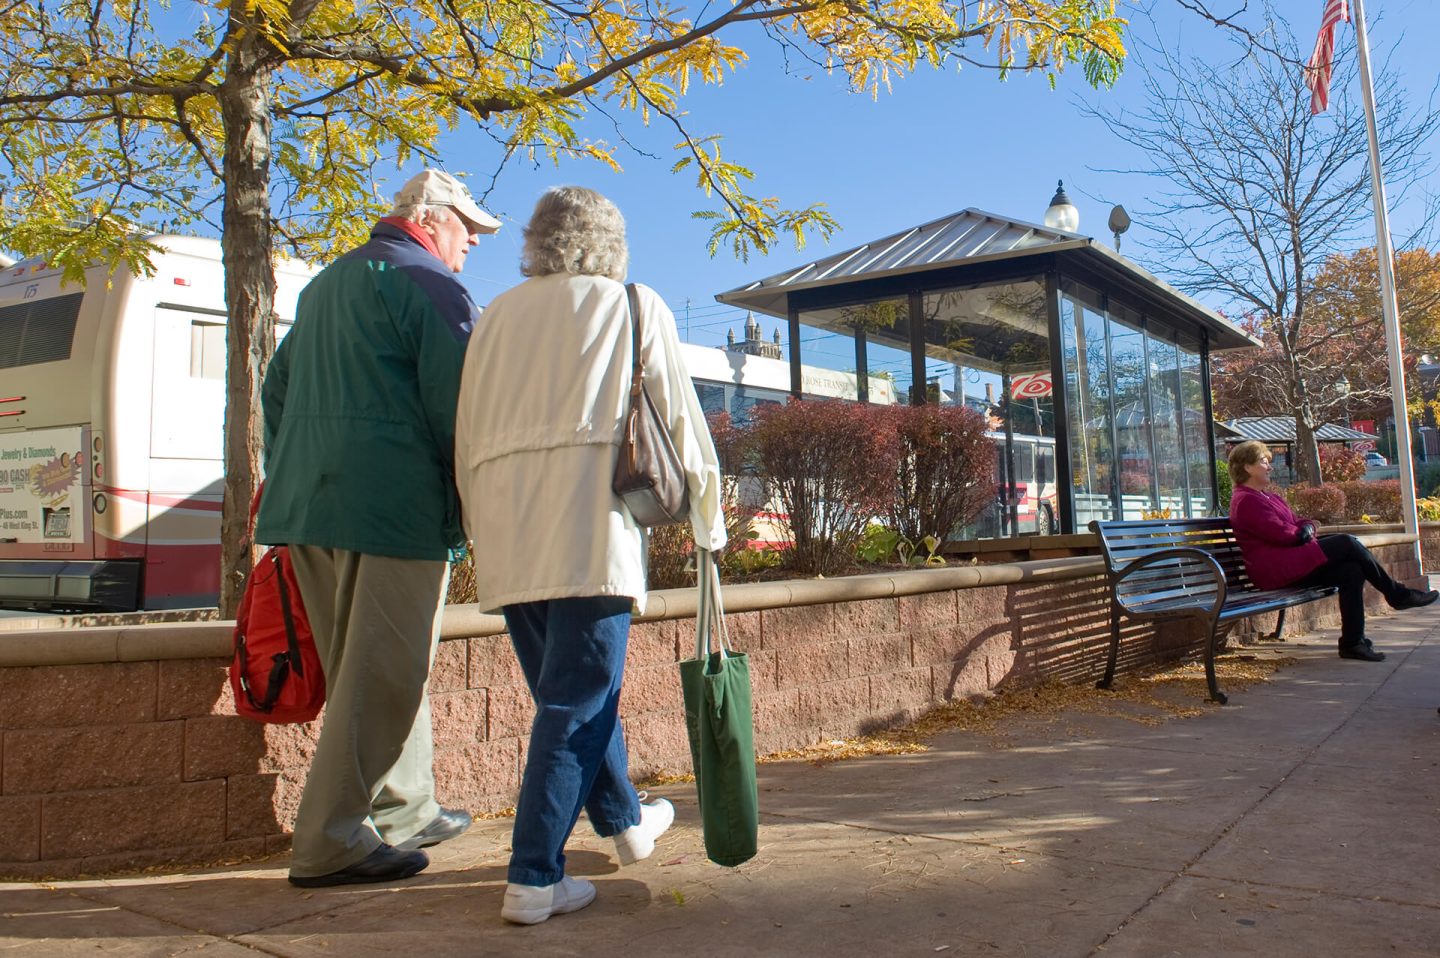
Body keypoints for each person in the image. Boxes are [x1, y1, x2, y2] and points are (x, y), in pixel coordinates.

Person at [454, 186, 727, 925]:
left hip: (510, 535)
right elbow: (678, 417)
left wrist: (479, 526)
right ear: (613, 243)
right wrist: (710, 520)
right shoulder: (634, 305)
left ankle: (626, 824)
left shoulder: (496, 316)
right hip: (592, 529)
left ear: (536, 241)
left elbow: (467, 433)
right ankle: (534, 877)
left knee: (569, 694)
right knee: (576, 703)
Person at [257, 169, 501, 888]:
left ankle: (407, 808)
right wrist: (475, 514)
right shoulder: (434, 287)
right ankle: (330, 840)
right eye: (469, 229)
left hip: (308, 508)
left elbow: (277, 391)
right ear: (432, 220)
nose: (473, 245)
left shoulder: (327, 283)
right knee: (388, 673)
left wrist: (297, 471)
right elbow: (463, 410)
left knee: (363, 669)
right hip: (392, 511)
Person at [1227, 440, 1436, 662]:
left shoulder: (1268, 497)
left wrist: (1306, 528)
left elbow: (1301, 522)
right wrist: (1304, 531)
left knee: (1351, 570)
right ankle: (1397, 594)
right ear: (1247, 467)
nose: (1270, 467)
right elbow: (1284, 534)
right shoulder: (1245, 500)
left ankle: (1352, 643)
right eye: (1264, 462)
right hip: (1275, 569)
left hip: (1290, 560)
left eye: (1269, 462)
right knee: (1346, 541)